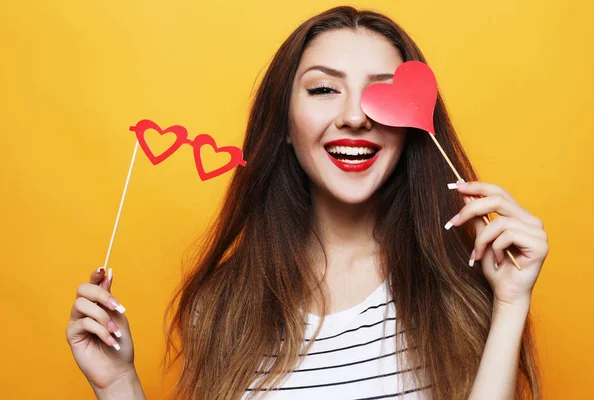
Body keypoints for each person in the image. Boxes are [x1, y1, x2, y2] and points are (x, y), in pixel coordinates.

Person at [66, 6, 548, 400]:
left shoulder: (462, 293)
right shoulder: (223, 306)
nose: (356, 116)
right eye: (323, 89)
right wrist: (118, 384)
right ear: (287, 128)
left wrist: (511, 303)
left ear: (411, 128)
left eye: (381, 93)